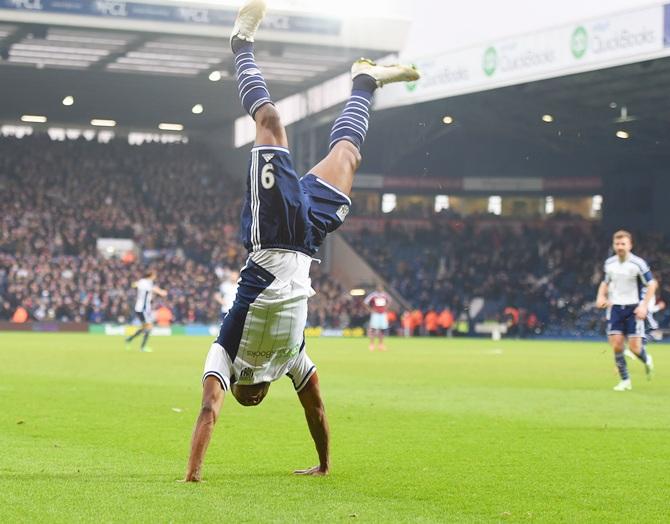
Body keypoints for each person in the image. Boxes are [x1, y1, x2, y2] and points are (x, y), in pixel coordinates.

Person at [182, 0, 419, 482]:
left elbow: (208, 411)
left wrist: (193, 473)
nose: (248, 394)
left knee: (269, 121)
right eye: (250, 395)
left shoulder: (224, 354)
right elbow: (316, 408)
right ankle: (364, 81)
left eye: (246, 394)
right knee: (348, 155)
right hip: (308, 237)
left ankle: (241, 45)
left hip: (271, 236)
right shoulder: (291, 360)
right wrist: (326, 464)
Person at [595, 230, 656, 391]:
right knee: (616, 345)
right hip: (615, 308)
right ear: (613, 245)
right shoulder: (610, 264)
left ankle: (646, 358)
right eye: (617, 244)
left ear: (630, 245)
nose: (620, 247)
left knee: (635, 349)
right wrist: (600, 296)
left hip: (633, 308)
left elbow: (652, 284)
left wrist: (643, 305)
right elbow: (605, 282)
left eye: (623, 244)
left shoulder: (638, 264)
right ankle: (625, 381)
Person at [125, 270, 167, 353]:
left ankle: (129, 339)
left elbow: (134, 284)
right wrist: (162, 292)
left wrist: (135, 285)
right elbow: (155, 289)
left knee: (145, 327)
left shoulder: (143, 281)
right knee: (149, 327)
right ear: (150, 275)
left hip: (141, 308)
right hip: (142, 309)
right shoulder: (146, 282)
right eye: (154, 275)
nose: (155, 277)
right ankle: (142, 347)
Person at [364, 285, 391, 351]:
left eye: (381, 287)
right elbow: (365, 302)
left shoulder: (385, 295)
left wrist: (386, 308)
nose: (379, 288)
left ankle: (380, 344)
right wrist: (370, 310)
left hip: (382, 314)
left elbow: (390, 301)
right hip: (375, 314)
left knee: (382, 329)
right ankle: (372, 344)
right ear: (376, 288)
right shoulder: (373, 295)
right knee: (373, 329)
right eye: (378, 287)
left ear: (382, 288)